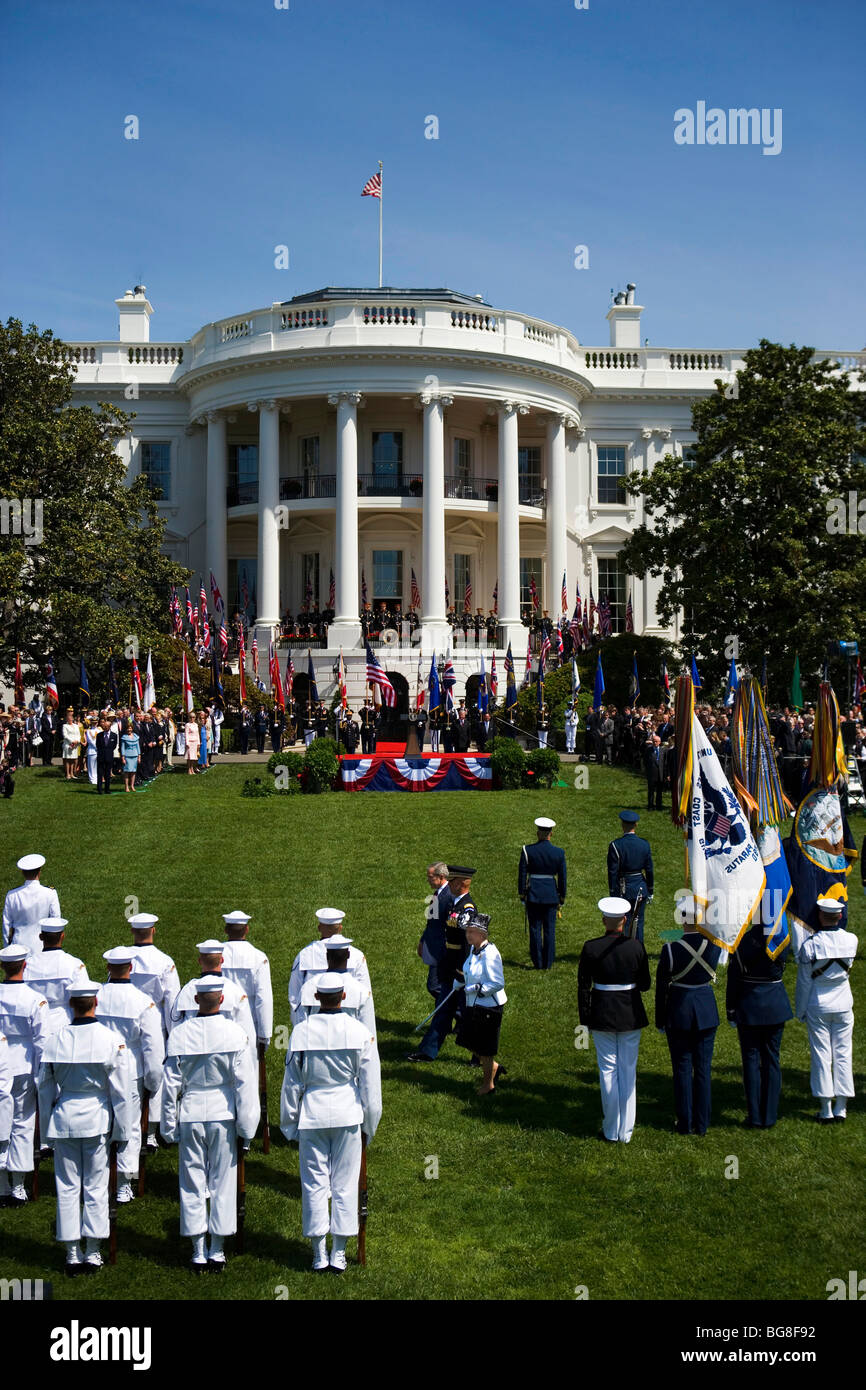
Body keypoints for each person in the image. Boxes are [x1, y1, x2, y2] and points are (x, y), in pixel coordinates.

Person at [280, 971, 382, 1273]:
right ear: (344, 997)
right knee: (345, 1184)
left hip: (312, 1115)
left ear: (316, 999)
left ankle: (318, 1252)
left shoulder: (301, 1032)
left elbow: (292, 1084)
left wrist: (289, 1122)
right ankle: (338, 1252)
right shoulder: (360, 1032)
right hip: (348, 1114)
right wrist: (370, 1124)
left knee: (314, 1183)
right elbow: (370, 1087)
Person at [162, 977, 259, 1272]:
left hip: (191, 1112)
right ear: (221, 1001)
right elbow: (245, 1085)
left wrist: (168, 1126)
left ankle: (197, 1250)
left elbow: (170, 1086)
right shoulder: (234, 1033)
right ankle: (216, 1250)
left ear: (196, 1001)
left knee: (192, 1182)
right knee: (222, 1182)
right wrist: (247, 1129)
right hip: (222, 1113)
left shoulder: (179, 1035)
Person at [36, 979, 133, 1274]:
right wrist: (123, 1132)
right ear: (96, 1004)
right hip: (96, 1120)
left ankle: (72, 1253)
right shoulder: (109, 1039)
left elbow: (44, 1088)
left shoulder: (55, 1040)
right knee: (95, 1186)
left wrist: (45, 1134)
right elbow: (121, 1092)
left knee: (67, 1188)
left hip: (64, 1119)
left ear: (70, 1006)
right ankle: (92, 1252)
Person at [578, 897, 651, 1143]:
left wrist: (585, 1017)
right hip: (630, 1013)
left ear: (603, 920)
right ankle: (625, 1132)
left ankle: (611, 1130)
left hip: (602, 1014)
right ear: (624, 920)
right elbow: (645, 985)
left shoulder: (590, 947)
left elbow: (583, 986)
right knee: (627, 1071)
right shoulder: (636, 947)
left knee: (608, 1071)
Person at [96, 947, 165, 1203]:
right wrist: (153, 1082)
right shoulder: (142, 1002)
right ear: (131, 969)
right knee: (129, 1125)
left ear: (107, 968)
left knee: (102, 1121)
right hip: (130, 1071)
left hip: (99, 1066)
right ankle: (124, 1182)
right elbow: (153, 1047)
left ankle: (100, 1178)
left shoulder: (96, 996)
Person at [654, 894, 721, 1136]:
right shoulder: (714, 946)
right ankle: (701, 1124)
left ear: (682, 918)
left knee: (682, 1068)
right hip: (705, 1010)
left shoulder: (671, 949)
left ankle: (684, 1122)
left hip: (679, 1011)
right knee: (703, 1069)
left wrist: (659, 1019)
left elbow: (661, 987)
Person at [791, 896, 857, 1123]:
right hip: (844, 1003)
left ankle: (826, 1107)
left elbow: (804, 983)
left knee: (822, 1054)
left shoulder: (810, 945)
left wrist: (800, 1011)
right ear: (840, 916)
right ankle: (842, 1107)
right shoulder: (852, 940)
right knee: (843, 1052)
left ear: (820, 916)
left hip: (818, 1004)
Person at [726, 918, 793, 1128]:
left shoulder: (744, 940)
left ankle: (755, 1115)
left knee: (751, 1060)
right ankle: (769, 1115)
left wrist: (731, 1008)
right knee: (772, 1059)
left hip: (750, 1004)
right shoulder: (782, 939)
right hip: (774, 1003)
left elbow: (734, 976)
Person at [407, 867, 478, 1062]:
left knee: (469, 1015)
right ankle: (428, 1051)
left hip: (461, 971)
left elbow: (467, 943)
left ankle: (480, 1055)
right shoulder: (455, 904)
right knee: (442, 1011)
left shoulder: (466, 908)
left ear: (459, 884)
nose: (449, 884)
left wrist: (461, 972)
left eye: (452, 880)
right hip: (449, 967)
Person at [126, 911, 179, 1150]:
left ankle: (133, 1122)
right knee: (156, 1072)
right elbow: (172, 1002)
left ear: (133, 931)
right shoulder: (164, 961)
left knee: (132, 1070)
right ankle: (151, 1131)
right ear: (153, 930)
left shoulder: (123, 959)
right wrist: (174, 1032)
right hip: (155, 1022)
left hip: (127, 1023)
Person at [0, 945, 49, 1203]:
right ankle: (18, 1186)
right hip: (24, 1064)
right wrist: (43, 1074)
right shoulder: (34, 999)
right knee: (21, 1122)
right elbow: (41, 1040)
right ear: (25, 966)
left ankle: (2, 1185)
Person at [172, 942, 257, 1061]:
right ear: (222, 960)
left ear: (199, 961)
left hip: (190, 1062)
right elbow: (248, 1038)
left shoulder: (186, 991)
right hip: (224, 1061)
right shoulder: (236, 992)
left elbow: (175, 1032)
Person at [289, 909, 372, 1025]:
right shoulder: (358, 956)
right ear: (340, 928)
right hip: (350, 1023)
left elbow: (294, 996)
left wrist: (299, 1027)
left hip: (313, 1025)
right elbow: (365, 995)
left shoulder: (304, 954)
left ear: (319, 928)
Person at [456, 911, 507, 1095]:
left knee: (484, 1049)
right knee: (467, 1040)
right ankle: (493, 1068)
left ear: (482, 934)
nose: (468, 935)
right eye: (467, 931)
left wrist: (476, 988)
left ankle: (488, 1085)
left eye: (472, 931)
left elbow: (497, 983)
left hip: (489, 1007)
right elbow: (470, 969)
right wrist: (461, 981)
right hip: (474, 1005)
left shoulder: (490, 954)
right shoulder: (473, 948)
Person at [219, 910, 274, 1056]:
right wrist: (264, 1035)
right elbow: (264, 998)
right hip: (248, 1024)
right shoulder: (258, 957)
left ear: (226, 930)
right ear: (247, 929)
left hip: (220, 1021)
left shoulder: (215, 955)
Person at [23, 918, 86, 1035]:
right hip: (65, 1022)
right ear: (62, 936)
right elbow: (83, 998)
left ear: (41, 937)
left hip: (34, 1023)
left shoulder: (28, 964)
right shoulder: (74, 964)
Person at [518, 817, 566, 970]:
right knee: (550, 930)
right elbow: (562, 877)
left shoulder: (528, 850)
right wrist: (562, 896)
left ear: (538, 833)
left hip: (533, 894)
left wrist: (522, 894)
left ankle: (537, 962)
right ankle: (548, 962)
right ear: (551, 834)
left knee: (535, 929)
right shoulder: (559, 852)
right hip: (551, 895)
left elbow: (522, 874)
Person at [298, 937, 376, 1032]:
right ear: (348, 955)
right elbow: (369, 1031)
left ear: (327, 956)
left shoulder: (307, 987)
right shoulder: (362, 992)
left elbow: (300, 1027)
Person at [606, 810, 654, 944]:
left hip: (624, 889)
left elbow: (612, 872)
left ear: (622, 825)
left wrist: (613, 892)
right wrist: (650, 890)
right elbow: (649, 869)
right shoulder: (644, 844)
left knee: (624, 922)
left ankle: (624, 950)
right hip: (640, 887)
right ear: (636, 825)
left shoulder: (616, 845)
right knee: (639, 923)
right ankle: (638, 952)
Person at [417, 862, 452, 1000]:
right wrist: (422, 941)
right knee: (439, 986)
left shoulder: (448, 896)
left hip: (442, 950)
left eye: (430, 877)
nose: (428, 880)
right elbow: (431, 922)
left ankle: (459, 1012)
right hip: (434, 946)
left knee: (434, 986)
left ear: (441, 876)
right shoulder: (439, 893)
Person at [643, 732, 666, 810]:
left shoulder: (663, 751)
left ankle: (659, 805)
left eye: (656, 741)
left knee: (659, 792)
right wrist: (647, 771)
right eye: (653, 741)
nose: (655, 743)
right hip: (651, 774)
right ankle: (650, 805)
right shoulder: (648, 750)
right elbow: (645, 761)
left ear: (660, 742)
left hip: (660, 774)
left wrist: (665, 774)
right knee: (651, 791)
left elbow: (665, 763)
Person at [95, 717, 117, 794]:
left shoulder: (114, 735)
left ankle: (107, 789)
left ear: (110, 726)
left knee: (108, 774)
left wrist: (108, 752)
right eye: (104, 726)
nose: (105, 727)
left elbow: (114, 746)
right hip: (101, 757)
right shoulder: (99, 735)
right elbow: (97, 745)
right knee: (100, 774)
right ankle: (99, 789)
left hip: (109, 757)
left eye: (107, 726)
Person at [120, 720, 140, 793]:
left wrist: (139, 756)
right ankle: (126, 787)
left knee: (133, 772)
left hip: (135, 755)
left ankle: (132, 786)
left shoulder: (136, 736)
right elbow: (122, 748)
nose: (129, 729)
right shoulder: (124, 737)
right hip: (127, 756)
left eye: (130, 728)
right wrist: (123, 757)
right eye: (128, 728)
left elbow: (138, 747)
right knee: (127, 772)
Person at [61, 709, 80, 781]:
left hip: (75, 744)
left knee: (73, 759)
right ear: (67, 719)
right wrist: (72, 741)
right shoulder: (65, 726)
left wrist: (77, 741)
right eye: (68, 718)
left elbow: (78, 734)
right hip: (68, 744)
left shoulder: (76, 725)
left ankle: (72, 773)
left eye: (71, 718)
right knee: (68, 759)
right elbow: (65, 735)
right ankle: (67, 773)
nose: (70, 719)